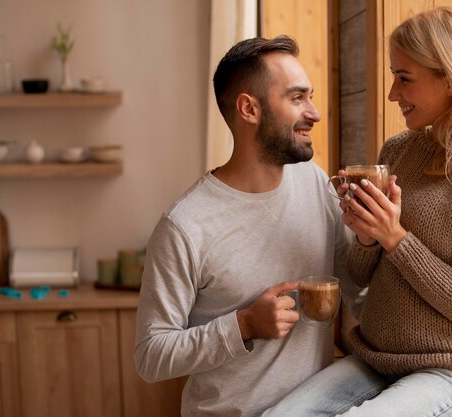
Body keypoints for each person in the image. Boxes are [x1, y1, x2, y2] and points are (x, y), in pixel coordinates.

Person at [262, 7, 452, 417]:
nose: (392, 94)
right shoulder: (397, 150)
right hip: (377, 360)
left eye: (404, 79)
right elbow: (362, 275)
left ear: (451, 79)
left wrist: (395, 238)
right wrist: (367, 236)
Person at [134, 35, 356, 417]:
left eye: (311, 96)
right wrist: (243, 325)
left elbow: (357, 283)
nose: (315, 113)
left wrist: (376, 236)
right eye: (297, 98)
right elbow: (151, 355)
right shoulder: (185, 225)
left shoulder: (316, 185)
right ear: (249, 109)